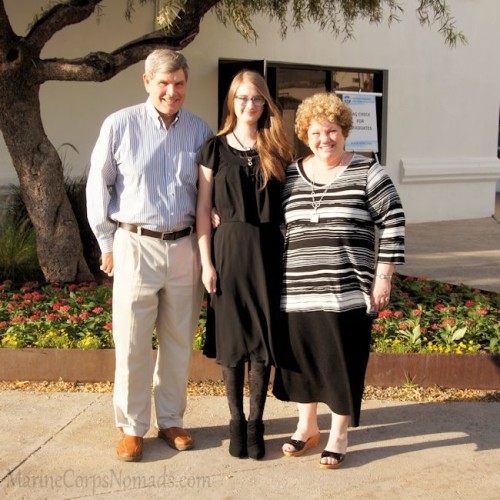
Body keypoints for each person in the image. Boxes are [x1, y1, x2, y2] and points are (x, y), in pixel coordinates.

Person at [86, 49, 212, 462]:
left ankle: (171, 419)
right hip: (134, 244)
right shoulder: (119, 124)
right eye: (163, 83)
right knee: (132, 341)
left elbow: (210, 193)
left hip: (184, 247)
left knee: (178, 340)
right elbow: (97, 186)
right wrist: (105, 242)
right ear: (146, 82)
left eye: (178, 84)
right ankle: (131, 427)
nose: (171, 92)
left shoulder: (199, 130)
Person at [273, 92, 405, 469]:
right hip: (296, 291)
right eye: (316, 132)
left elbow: (393, 220)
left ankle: (339, 435)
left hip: (346, 292)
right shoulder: (291, 175)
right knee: (302, 361)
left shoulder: (368, 171)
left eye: (331, 130)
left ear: (344, 131)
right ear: (304, 134)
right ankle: (306, 427)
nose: (324, 139)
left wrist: (383, 277)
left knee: (342, 363)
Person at [196, 70, 294, 459]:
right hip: (229, 252)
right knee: (235, 342)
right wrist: (207, 262)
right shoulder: (213, 149)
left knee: (262, 343)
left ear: (265, 103)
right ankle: (236, 423)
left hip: (269, 253)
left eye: (255, 98)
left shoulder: (279, 148)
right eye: (241, 98)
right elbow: (203, 209)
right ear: (231, 102)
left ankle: (257, 424)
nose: (248, 105)